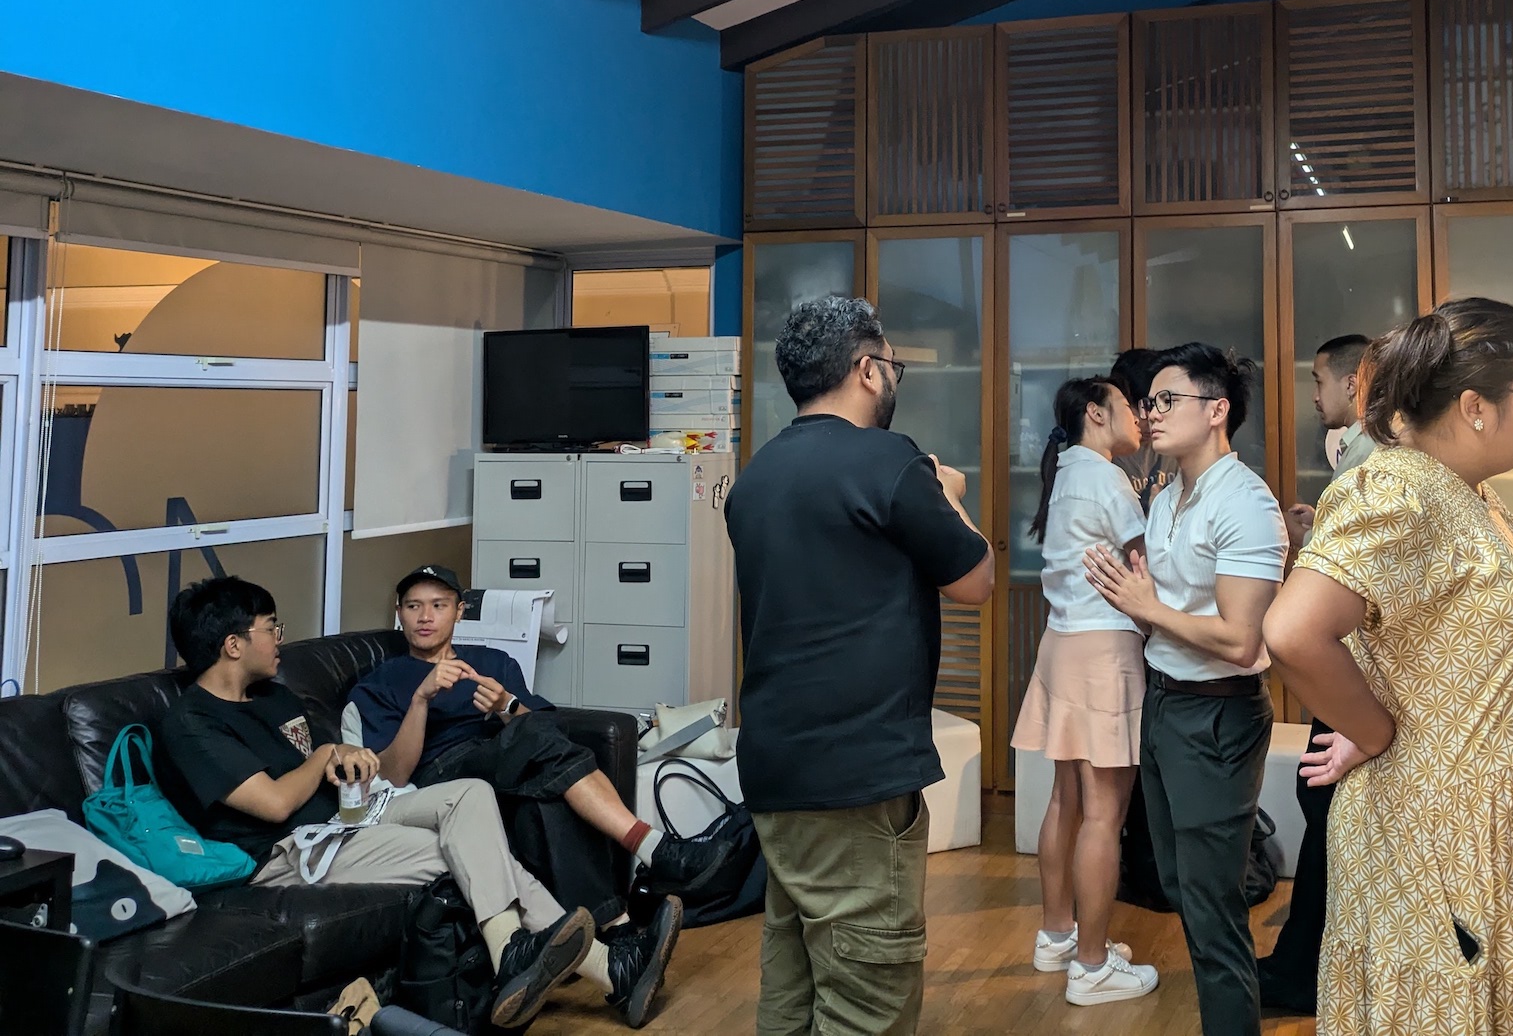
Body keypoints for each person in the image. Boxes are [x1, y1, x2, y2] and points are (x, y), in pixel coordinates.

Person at [1263, 299, 1513, 1036]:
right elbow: (1295, 631)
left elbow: (1454, 625)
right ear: (1475, 406)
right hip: (1454, 831)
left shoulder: (1468, 492)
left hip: (1502, 821)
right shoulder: (1398, 488)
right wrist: (1373, 730)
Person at [157, 577, 677, 1031]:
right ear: (233, 644)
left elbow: (338, 765)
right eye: (271, 628)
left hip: (346, 815)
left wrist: (351, 761)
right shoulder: (192, 723)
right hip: (289, 851)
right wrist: (324, 755)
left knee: (470, 797)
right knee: (463, 850)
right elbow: (273, 804)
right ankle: (599, 966)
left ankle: (523, 954)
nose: (280, 639)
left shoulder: (275, 696)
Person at [725, 295, 994, 1036]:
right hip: (857, 774)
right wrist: (950, 495)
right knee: (866, 1001)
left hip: (776, 766)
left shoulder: (756, 476)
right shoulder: (890, 460)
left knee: (793, 977)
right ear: (868, 369)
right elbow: (975, 580)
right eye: (892, 364)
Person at [1082, 343, 1286, 1036]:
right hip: (1165, 701)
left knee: (1211, 905)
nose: (1152, 413)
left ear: (1217, 410)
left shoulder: (1246, 503)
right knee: (1176, 884)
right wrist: (1129, 599)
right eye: (1149, 402)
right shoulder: (1168, 495)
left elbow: (1242, 641)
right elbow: (1165, 609)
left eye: (1169, 400)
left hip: (1217, 715)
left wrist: (1148, 608)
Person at [347, 565, 687, 951]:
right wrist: (421, 700)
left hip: (507, 758)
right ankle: (653, 849)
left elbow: (548, 730)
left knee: (544, 793)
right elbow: (394, 775)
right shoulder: (381, 681)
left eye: (438, 605)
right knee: (535, 744)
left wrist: (506, 705)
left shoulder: (493, 661)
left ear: (459, 611)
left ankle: (609, 929)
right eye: (414, 606)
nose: (425, 617)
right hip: (446, 776)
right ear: (399, 613)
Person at [1010, 377, 1159, 1006]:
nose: (1141, 417)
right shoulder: (1106, 476)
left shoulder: (1069, 469)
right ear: (1096, 414)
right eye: (1129, 407)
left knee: (1065, 800)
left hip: (1062, 642)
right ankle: (1093, 967)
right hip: (1103, 651)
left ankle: (1057, 936)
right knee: (1104, 813)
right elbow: (1147, 562)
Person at [1260, 331, 1376, 1016]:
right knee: (1324, 810)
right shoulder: (1355, 457)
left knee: (1326, 810)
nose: (1314, 395)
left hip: (1353, 671)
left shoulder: (1370, 463)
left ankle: (1307, 972)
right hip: (1349, 668)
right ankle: (1305, 964)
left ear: (1354, 383)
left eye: (1318, 380)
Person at [1109, 347, 1173, 512]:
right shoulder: (1106, 458)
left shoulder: (1176, 448)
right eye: (1143, 407)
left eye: (1162, 404)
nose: (1153, 417)